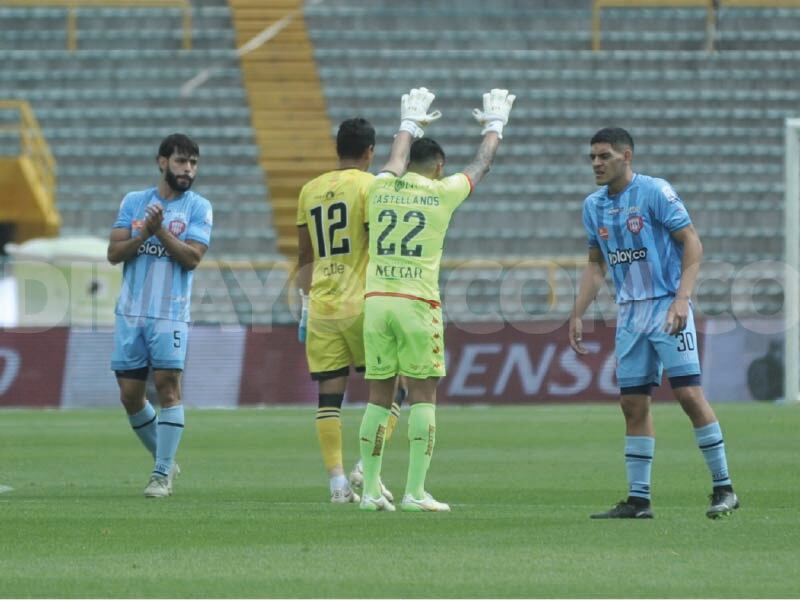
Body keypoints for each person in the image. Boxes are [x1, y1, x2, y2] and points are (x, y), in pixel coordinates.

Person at [356, 88, 516, 512]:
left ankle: (370, 491)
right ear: (439, 167)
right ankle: (414, 492)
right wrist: (494, 127)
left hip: (375, 302)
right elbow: (481, 165)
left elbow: (393, 161)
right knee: (423, 396)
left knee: (377, 397)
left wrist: (407, 123)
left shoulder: (380, 186)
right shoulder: (443, 192)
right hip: (416, 304)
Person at [569, 127, 738, 519]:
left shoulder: (655, 191)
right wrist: (577, 313)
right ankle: (639, 500)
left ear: (626, 156)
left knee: (688, 395)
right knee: (632, 403)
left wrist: (682, 299)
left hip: (666, 306)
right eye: (592, 157)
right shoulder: (593, 206)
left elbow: (691, 240)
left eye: (604, 156)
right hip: (630, 312)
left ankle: (724, 487)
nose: (596, 163)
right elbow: (596, 265)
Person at [295, 118, 404, 504]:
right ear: (370, 152)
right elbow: (380, 242)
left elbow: (305, 256)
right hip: (362, 303)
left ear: (337, 148)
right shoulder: (370, 186)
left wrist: (305, 305)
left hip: (322, 306)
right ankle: (365, 465)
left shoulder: (309, 190)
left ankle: (337, 484)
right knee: (396, 388)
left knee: (328, 397)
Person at [107, 133, 212, 498]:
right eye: (182, 161)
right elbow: (114, 252)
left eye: (193, 163)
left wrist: (160, 231)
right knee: (130, 395)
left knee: (168, 386)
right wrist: (143, 236)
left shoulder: (198, 207)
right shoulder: (134, 203)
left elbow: (192, 258)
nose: (188, 169)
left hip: (170, 313)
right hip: (131, 313)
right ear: (162, 162)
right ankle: (164, 457)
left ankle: (161, 473)